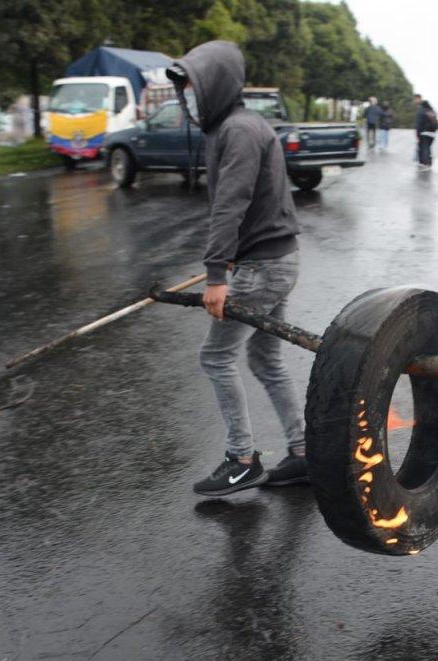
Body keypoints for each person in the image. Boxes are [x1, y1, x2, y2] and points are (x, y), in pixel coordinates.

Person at [167, 41, 310, 496]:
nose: (186, 95)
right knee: (265, 359)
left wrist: (215, 277)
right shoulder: (234, 127)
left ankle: (242, 459)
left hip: (265, 267)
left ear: (213, 85)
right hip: (272, 259)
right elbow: (252, 207)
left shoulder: (239, 130)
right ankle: (304, 453)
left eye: (191, 86)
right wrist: (229, 256)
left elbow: (231, 204)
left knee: (215, 357)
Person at [415, 96, 438, 169]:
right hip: (432, 133)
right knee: (428, 148)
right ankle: (428, 162)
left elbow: (419, 124)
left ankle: (425, 163)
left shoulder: (421, 111)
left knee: (424, 148)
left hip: (424, 132)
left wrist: (417, 134)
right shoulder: (432, 111)